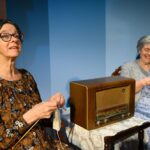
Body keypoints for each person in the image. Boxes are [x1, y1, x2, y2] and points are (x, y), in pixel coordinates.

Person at [0, 19, 68, 150]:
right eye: (5, 36)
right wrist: (32, 115)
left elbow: (41, 121)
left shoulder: (26, 76)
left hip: (48, 145)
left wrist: (51, 106)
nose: (14, 39)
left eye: (16, 35)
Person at [120, 35, 150, 149]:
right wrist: (143, 82)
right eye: (146, 50)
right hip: (135, 110)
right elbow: (123, 92)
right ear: (139, 49)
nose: (149, 54)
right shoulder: (128, 67)